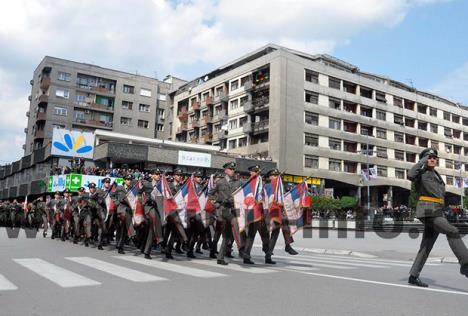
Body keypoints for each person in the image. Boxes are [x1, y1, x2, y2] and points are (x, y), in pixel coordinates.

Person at [408, 148, 468, 287]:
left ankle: (413, 275)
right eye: (430, 157)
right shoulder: (421, 172)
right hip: (428, 211)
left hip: (437, 210)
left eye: (435, 157)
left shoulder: (436, 175)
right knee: (452, 231)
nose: (433, 159)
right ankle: (466, 264)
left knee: (426, 246)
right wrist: (422, 161)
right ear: (424, 159)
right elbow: (410, 175)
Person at [208, 162, 241, 265]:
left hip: (234, 209)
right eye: (230, 169)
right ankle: (242, 247)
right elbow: (210, 194)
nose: (232, 171)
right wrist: (216, 204)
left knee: (226, 236)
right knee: (234, 223)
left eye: (233, 169)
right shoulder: (220, 182)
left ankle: (220, 257)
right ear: (226, 170)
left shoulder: (238, 183)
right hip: (224, 209)